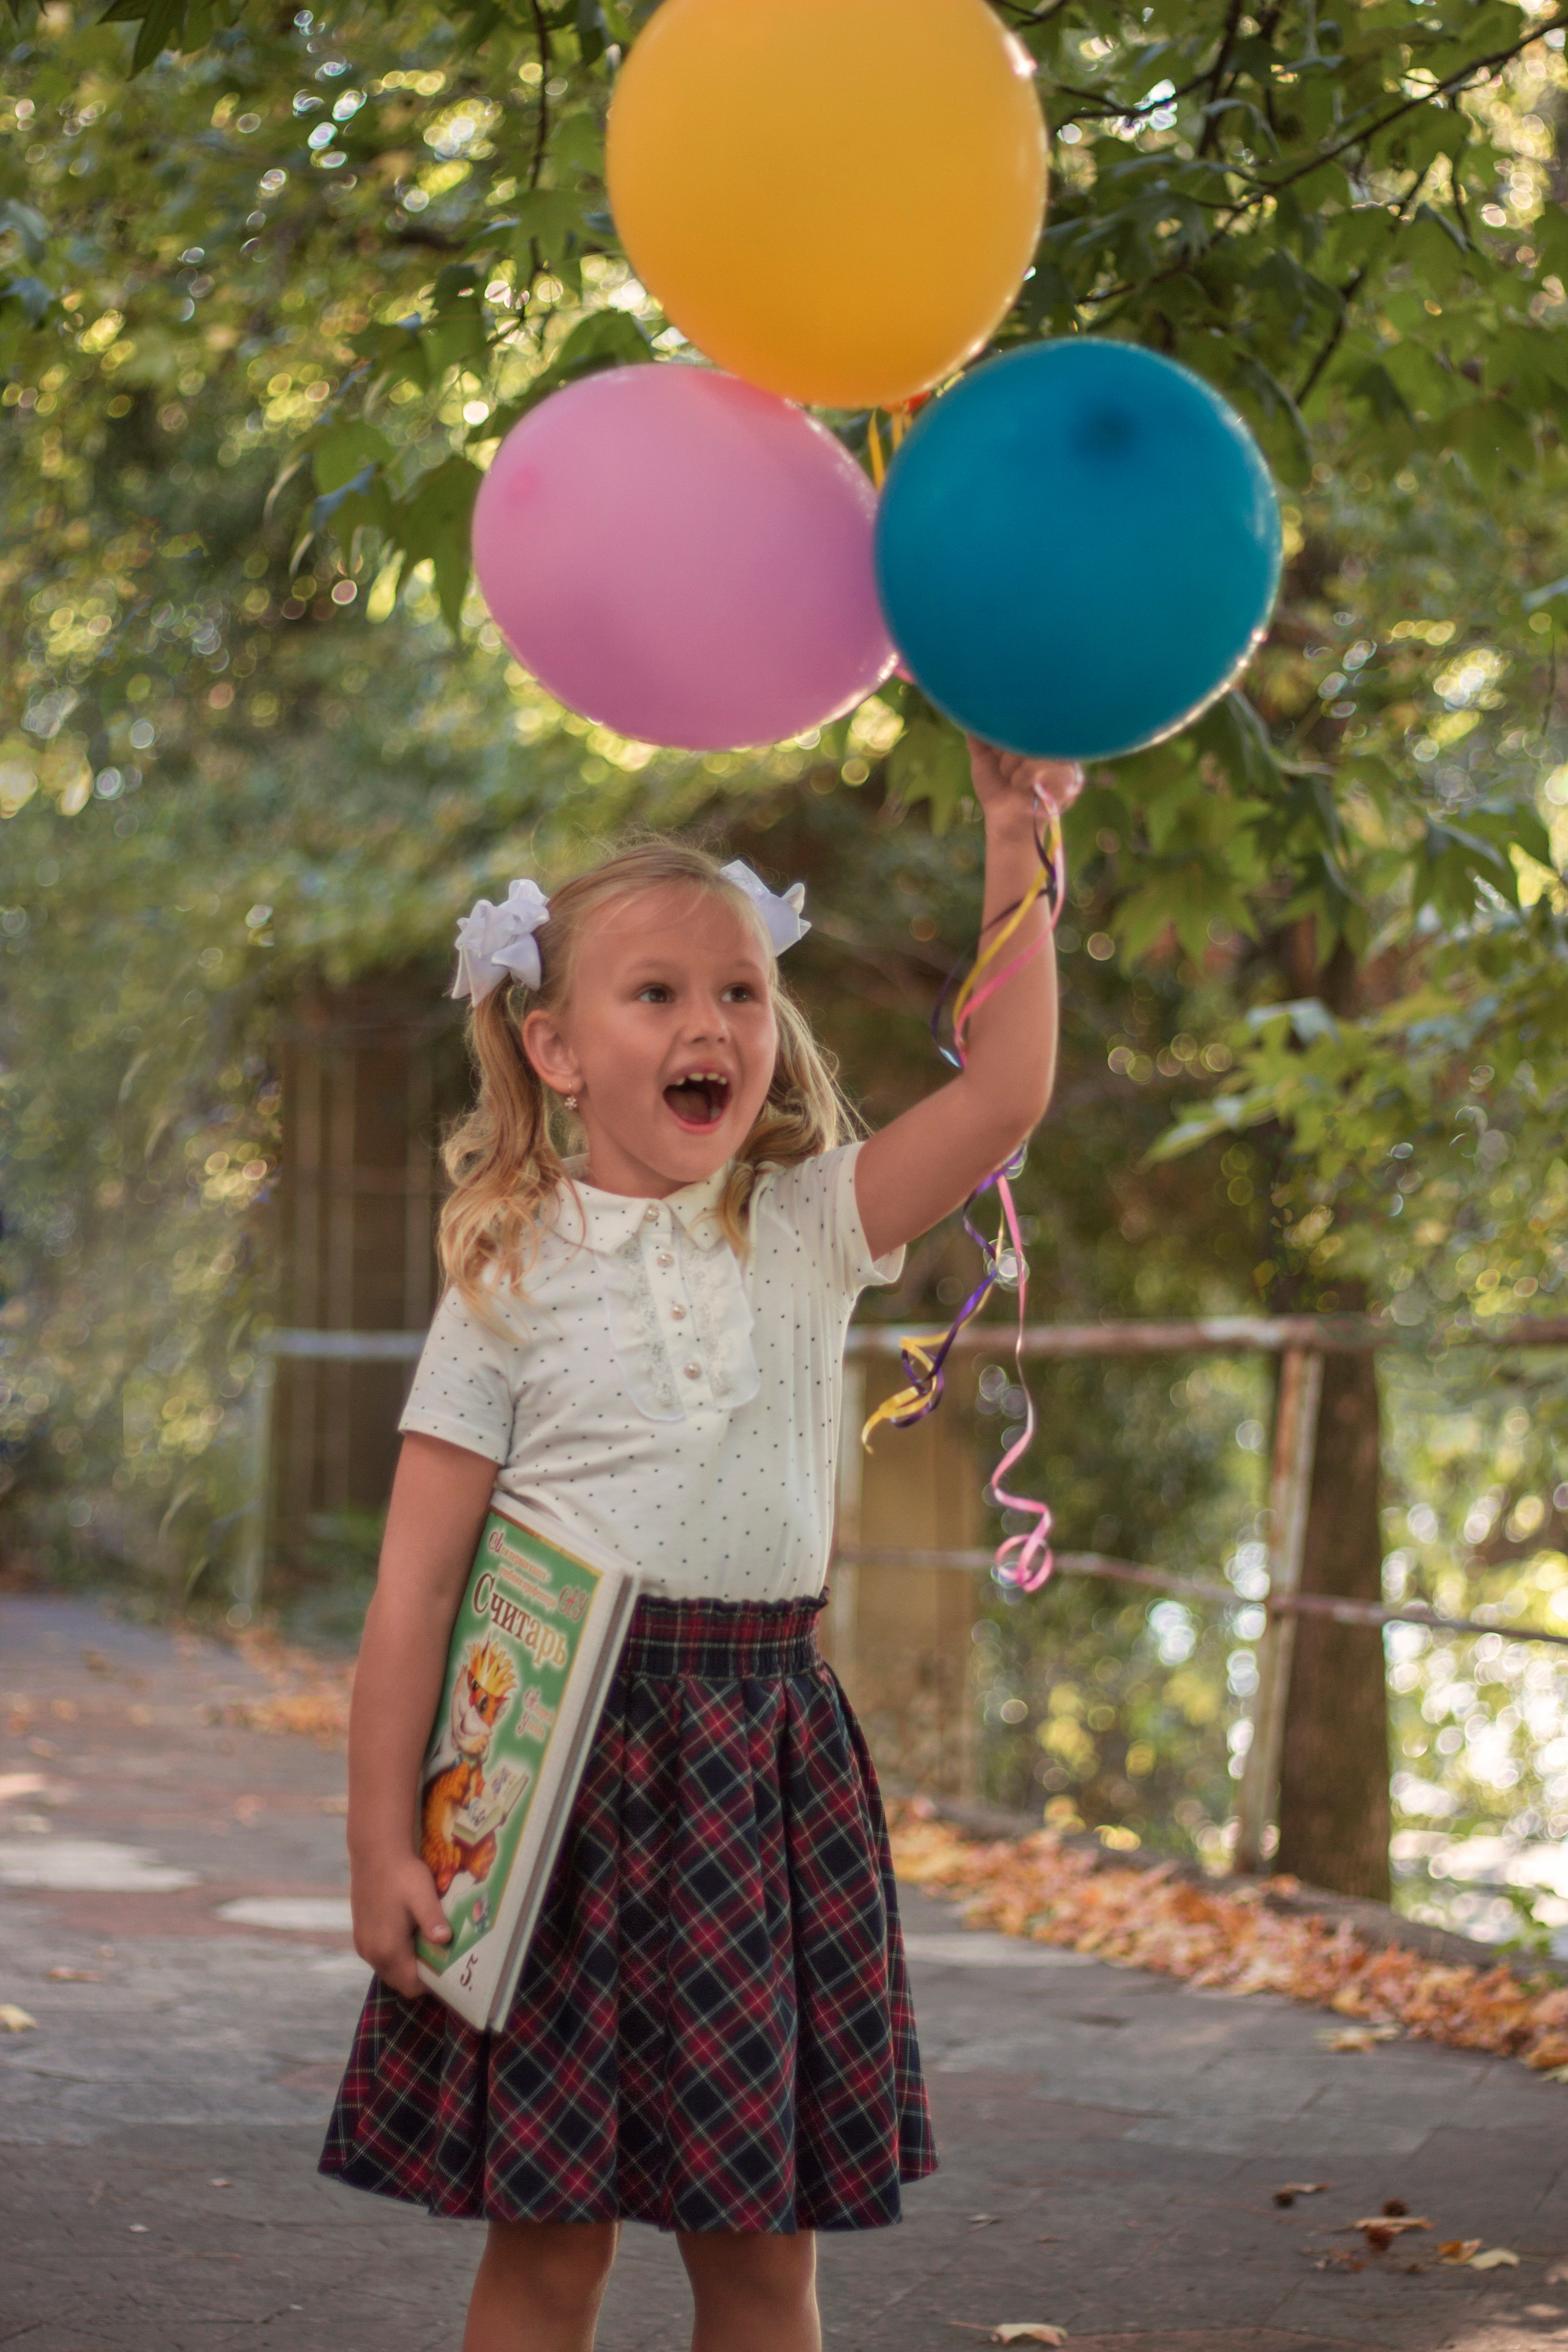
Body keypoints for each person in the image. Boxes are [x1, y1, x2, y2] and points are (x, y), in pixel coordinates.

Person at [320, 740, 1084, 2352]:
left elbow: (1006, 1094)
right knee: (549, 2253)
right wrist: (379, 1845)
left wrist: (1016, 842)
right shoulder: (505, 1278)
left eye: (738, 993)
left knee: (761, 2261)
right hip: (550, 1792)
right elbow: (414, 1593)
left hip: (763, 1774)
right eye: (655, 995)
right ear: (556, 1048)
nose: (709, 1027)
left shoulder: (812, 1227)